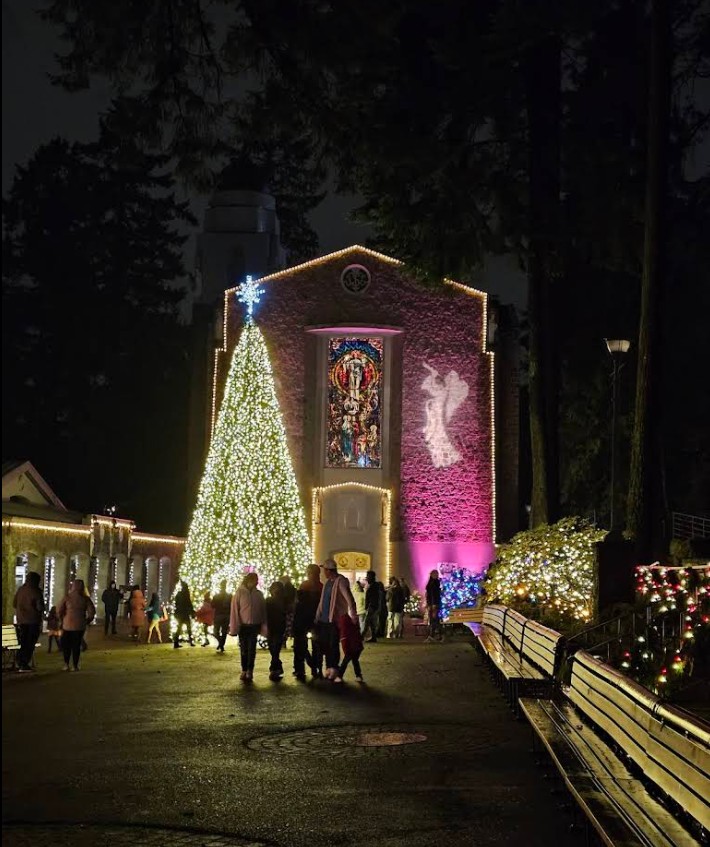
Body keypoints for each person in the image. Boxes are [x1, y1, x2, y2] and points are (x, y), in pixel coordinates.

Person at [314, 559, 357, 683]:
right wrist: (318, 616)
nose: (324, 572)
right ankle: (329, 668)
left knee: (333, 645)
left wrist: (353, 615)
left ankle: (333, 668)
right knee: (326, 645)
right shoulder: (328, 583)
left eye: (324, 570)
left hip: (335, 619)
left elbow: (349, 599)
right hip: (324, 620)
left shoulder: (341, 581)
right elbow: (322, 602)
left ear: (328, 570)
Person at [229, 572, 266, 682]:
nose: (256, 582)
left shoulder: (258, 594)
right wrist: (235, 627)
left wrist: (263, 625)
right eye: (255, 579)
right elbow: (235, 611)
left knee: (252, 649)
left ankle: (250, 670)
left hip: (254, 625)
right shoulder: (239, 593)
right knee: (244, 649)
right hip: (243, 626)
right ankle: (244, 669)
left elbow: (263, 610)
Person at [292, 564, 323, 681]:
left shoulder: (305, 585)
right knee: (316, 646)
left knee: (301, 646)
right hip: (316, 621)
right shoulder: (321, 587)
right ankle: (316, 668)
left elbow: (298, 605)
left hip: (304, 621)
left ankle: (301, 669)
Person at [57, 579, 96, 671]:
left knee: (66, 645)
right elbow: (92, 611)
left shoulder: (67, 597)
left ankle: (66, 664)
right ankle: (75, 665)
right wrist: (87, 620)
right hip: (80, 625)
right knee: (76, 645)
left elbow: (59, 610)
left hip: (67, 625)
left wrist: (61, 619)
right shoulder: (85, 599)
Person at [13, 571, 44, 672]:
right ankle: (24, 663)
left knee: (22, 642)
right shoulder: (36, 591)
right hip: (32, 621)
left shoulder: (21, 590)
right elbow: (40, 607)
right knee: (29, 643)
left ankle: (19, 661)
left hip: (21, 620)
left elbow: (14, 603)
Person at [266, 581, 287, 681]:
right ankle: (277, 667)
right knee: (273, 648)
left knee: (275, 648)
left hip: (278, 627)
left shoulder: (283, 601)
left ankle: (274, 669)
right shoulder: (269, 601)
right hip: (272, 627)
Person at [337, 612, 364, 682]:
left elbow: (344, 640)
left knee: (345, 662)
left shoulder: (344, 627)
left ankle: (339, 676)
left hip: (351, 648)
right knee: (355, 661)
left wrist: (346, 651)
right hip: (357, 647)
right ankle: (359, 676)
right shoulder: (352, 625)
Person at [211, 580, 232, 654]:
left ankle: (220, 643)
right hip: (226, 615)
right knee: (224, 631)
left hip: (218, 615)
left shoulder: (216, 596)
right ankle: (221, 644)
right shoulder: (229, 596)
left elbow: (212, 605)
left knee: (216, 631)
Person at [173, 580, 195, 648]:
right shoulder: (186, 594)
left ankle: (176, 642)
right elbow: (189, 603)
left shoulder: (179, 594)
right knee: (188, 628)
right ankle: (191, 641)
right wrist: (192, 612)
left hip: (179, 613)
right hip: (185, 613)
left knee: (179, 628)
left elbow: (176, 603)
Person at [362, 571, 381, 643]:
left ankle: (361, 636)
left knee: (367, 622)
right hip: (372, 606)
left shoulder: (374, 586)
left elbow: (373, 598)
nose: (367, 579)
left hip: (372, 607)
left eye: (368, 577)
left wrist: (368, 606)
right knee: (371, 623)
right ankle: (373, 637)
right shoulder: (374, 586)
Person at [425, 569, 442, 642]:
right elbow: (431, 594)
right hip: (432, 604)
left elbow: (434, 595)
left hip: (434, 604)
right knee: (433, 620)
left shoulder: (435, 582)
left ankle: (433, 635)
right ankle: (435, 635)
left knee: (434, 619)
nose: (437, 575)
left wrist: (433, 603)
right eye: (436, 574)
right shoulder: (433, 583)